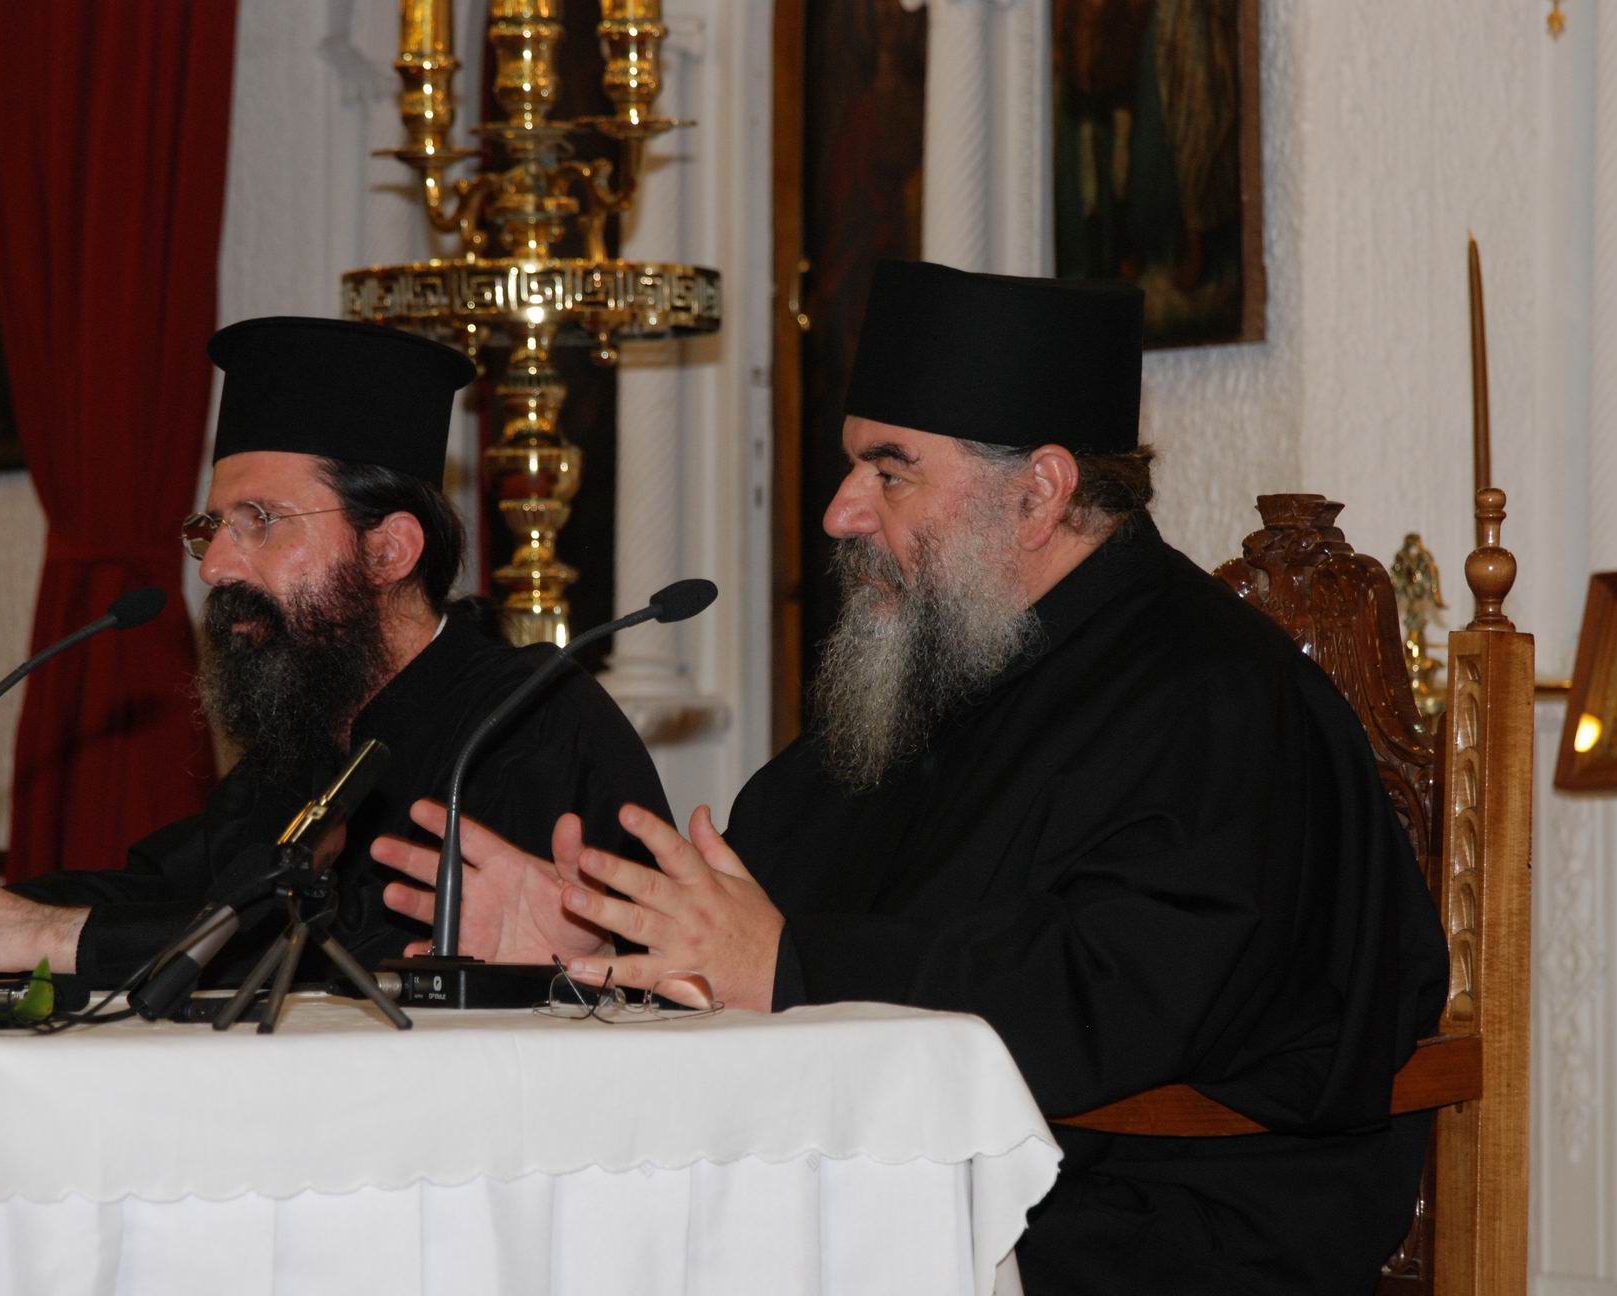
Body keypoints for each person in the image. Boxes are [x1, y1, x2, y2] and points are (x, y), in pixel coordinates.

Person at [375, 262, 1449, 1292]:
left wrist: (789, 967)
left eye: (890, 472)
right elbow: (756, 924)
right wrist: (600, 958)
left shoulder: (1214, 694)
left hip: (1151, 1226)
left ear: (1039, 492)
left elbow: (1119, 993)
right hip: (926, 1190)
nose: (842, 511)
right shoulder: (937, 677)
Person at [0, 316, 670, 993]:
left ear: (389, 550)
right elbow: (160, 894)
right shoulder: (307, 731)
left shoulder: (527, 724)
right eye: (212, 529)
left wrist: (38, 934)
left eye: (259, 523)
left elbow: (348, 958)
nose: (214, 568)